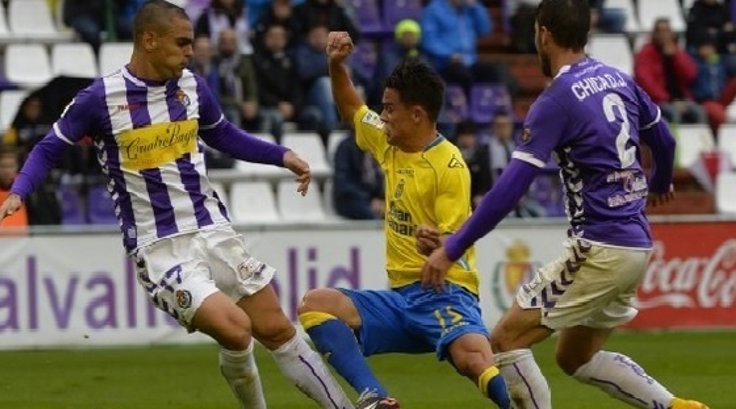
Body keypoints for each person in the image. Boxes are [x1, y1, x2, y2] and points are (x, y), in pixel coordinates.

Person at [0, 2, 352, 409]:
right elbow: (49, 147)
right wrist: (19, 190)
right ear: (149, 40)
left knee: (278, 329)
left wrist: (281, 155)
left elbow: (223, 134)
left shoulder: (192, 86)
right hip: (160, 248)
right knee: (236, 330)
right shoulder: (100, 98)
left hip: (212, 228)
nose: (190, 51)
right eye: (182, 43)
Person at [421, 1, 710, 409]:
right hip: (636, 245)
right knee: (574, 356)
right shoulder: (618, 78)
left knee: (504, 341)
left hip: (599, 247)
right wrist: (660, 181)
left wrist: (453, 247)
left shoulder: (556, 100)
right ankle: (676, 407)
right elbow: (664, 139)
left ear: (544, 34)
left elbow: (511, 187)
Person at [297, 32, 512, 409]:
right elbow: (351, 108)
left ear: (417, 115)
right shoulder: (388, 141)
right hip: (400, 299)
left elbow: (456, 239)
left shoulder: (449, 167)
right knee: (317, 304)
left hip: (444, 291)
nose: (383, 116)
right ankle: (376, 397)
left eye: (389, 108)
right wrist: (336, 65)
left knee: (474, 360)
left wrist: (440, 243)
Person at [635, 18, 706, 125]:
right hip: (657, 101)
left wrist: (676, 57)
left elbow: (690, 74)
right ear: (654, 34)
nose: (664, 35)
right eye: (660, 31)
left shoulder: (677, 51)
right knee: (673, 114)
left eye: (667, 31)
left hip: (682, 100)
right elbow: (646, 82)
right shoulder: (645, 54)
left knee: (699, 112)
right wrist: (668, 100)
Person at [331, 134, 384, 220]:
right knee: (371, 215)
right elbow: (343, 183)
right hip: (351, 199)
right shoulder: (346, 147)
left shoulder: (379, 146)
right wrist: (369, 200)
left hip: (376, 199)